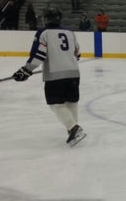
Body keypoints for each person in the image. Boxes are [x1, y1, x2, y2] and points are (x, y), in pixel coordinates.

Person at [11, 8, 86, 147]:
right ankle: (73, 129)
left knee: (55, 104)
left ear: (46, 19)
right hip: (74, 73)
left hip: (55, 75)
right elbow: (78, 54)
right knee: (71, 102)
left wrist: (26, 70)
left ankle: (74, 128)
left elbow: (39, 55)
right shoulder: (70, 32)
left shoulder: (43, 33)